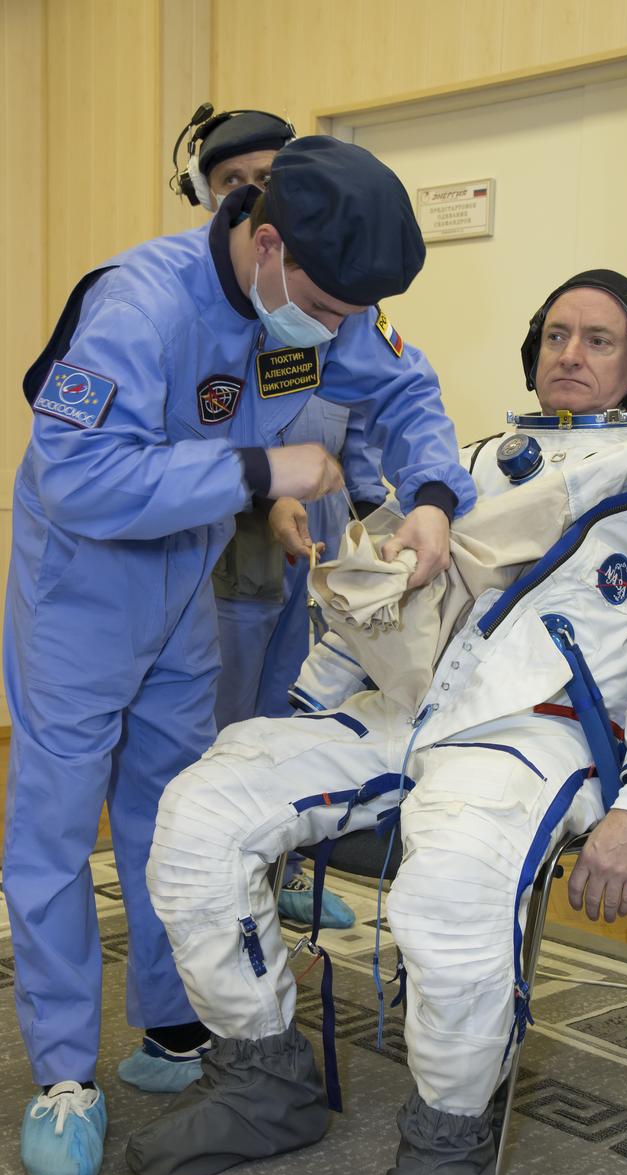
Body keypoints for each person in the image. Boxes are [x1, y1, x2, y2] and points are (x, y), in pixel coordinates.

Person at [124, 270, 627, 1175]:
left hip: (542, 728)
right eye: (555, 333)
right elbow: (391, 594)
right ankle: (263, 1079)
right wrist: (306, 716)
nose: (570, 352)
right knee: (203, 808)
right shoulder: (474, 463)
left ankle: (447, 1139)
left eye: (599, 339)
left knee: (451, 885)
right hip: (406, 706)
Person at [5, 133, 476, 1175]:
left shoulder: (313, 305)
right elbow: (76, 472)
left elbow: (404, 393)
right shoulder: (141, 302)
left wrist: (435, 499)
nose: (339, 331)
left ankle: (177, 1025)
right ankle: (65, 1071)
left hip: (186, 590)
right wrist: (262, 464)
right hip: (80, 589)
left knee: (168, 809)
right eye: (327, 306)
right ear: (266, 243)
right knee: (53, 823)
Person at [176, 104, 386, 928]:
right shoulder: (204, 314)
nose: (255, 195)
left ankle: (286, 874)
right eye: (236, 182)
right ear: (207, 195)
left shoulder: (327, 296)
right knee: (222, 728)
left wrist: (380, 510)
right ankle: (215, 887)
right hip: (229, 550)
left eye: (270, 179)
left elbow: (364, 414)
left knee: (294, 723)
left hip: (321, 552)